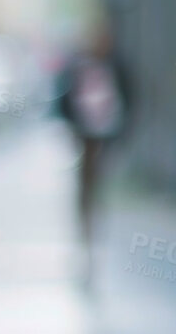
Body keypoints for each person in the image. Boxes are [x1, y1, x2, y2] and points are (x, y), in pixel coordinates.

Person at [53, 23, 131, 291]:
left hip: (106, 136)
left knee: (99, 184)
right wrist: (73, 128)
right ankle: (86, 228)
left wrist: (120, 133)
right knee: (85, 186)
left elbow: (131, 99)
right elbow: (63, 100)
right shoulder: (78, 68)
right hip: (85, 136)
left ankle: (97, 222)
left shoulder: (116, 66)